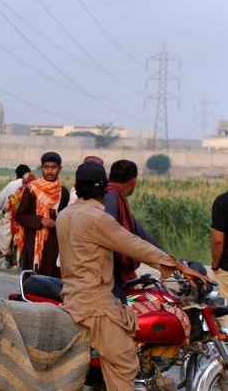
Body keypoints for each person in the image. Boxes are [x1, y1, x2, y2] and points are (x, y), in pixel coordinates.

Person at [57, 162, 207, 391]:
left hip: (71, 297)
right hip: (95, 307)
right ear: (104, 188)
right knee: (125, 363)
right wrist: (178, 266)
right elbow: (135, 245)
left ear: (77, 186)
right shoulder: (98, 219)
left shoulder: (65, 215)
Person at [102, 159, 161, 299]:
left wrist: (171, 261)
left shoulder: (113, 196)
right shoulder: (111, 197)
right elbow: (114, 235)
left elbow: (142, 234)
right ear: (133, 181)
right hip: (110, 276)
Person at [14, 151, 69, 278]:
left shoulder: (63, 192)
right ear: (41, 168)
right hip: (33, 244)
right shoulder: (32, 189)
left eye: (53, 167)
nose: (49, 171)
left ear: (60, 169)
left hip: (55, 245)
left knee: (52, 281)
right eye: (46, 167)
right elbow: (20, 216)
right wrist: (40, 221)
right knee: (33, 280)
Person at [0, 164, 32, 270]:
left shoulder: (12, 184)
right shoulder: (34, 184)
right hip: (29, 220)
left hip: (12, 219)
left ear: (16, 174)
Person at [210, 188, 228, 301]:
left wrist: (215, 266)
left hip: (226, 269)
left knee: (224, 308)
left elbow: (218, 241)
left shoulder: (222, 201)